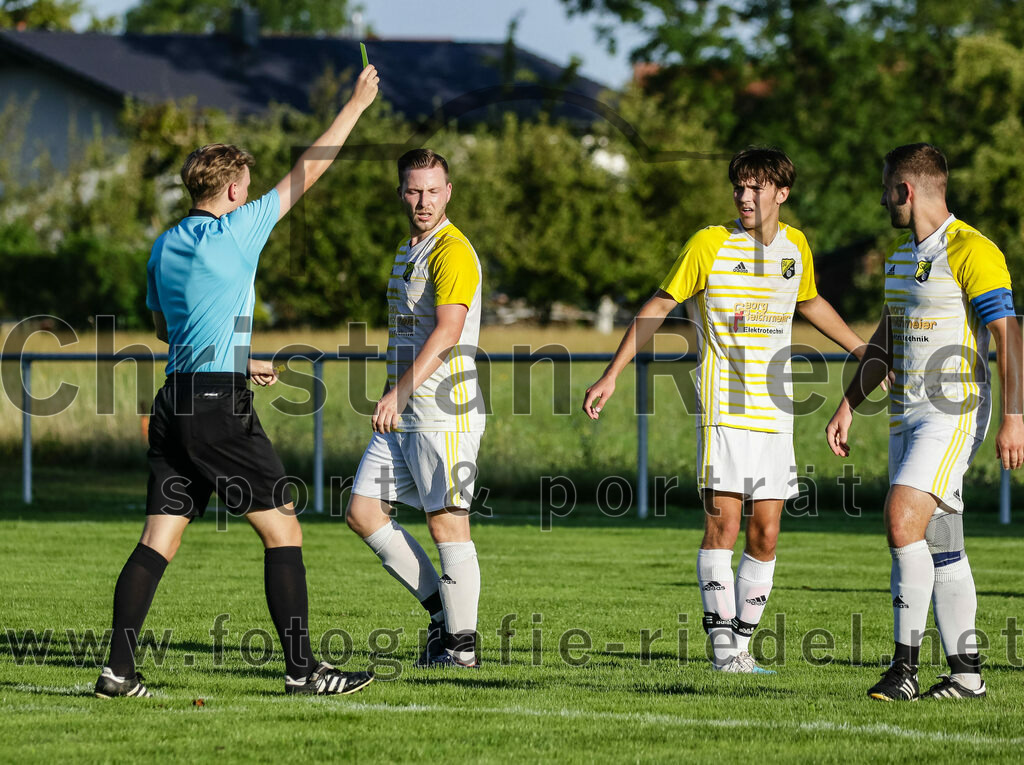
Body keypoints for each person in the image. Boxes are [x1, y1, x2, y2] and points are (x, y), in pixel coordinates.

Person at [94, 66, 381, 698]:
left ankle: (117, 670)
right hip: (217, 407)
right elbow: (313, 166)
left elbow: (172, 329)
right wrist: (356, 103)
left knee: (157, 538)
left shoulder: (164, 246)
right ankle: (304, 671)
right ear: (230, 190)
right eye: (246, 185)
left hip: (175, 400)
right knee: (284, 528)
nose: (251, 194)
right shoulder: (238, 228)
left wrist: (237, 357)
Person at [583, 147, 872, 674]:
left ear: (781, 194)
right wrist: (613, 371)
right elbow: (659, 305)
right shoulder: (709, 244)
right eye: (739, 187)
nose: (744, 196)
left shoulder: (796, 246)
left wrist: (860, 349)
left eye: (756, 187)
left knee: (767, 533)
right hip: (724, 412)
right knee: (725, 526)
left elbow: (809, 302)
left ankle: (741, 645)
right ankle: (723, 651)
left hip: (777, 417)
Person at [825, 143, 1023, 700]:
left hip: (952, 411)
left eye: (886, 187)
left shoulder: (973, 250)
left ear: (905, 191)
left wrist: (1014, 417)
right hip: (903, 417)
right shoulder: (898, 257)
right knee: (942, 546)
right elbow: (886, 340)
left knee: (900, 521)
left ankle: (902, 671)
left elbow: (1009, 338)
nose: (881, 197)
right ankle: (967, 677)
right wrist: (849, 403)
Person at [345, 148, 485, 669]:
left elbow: (448, 331)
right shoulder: (409, 249)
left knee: (447, 522)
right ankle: (442, 620)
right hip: (404, 412)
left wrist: (398, 392)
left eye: (433, 190)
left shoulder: (451, 250)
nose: (423, 200)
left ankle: (462, 649)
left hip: (442, 410)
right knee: (363, 513)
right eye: (413, 190)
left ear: (448, 192)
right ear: (401, 192)